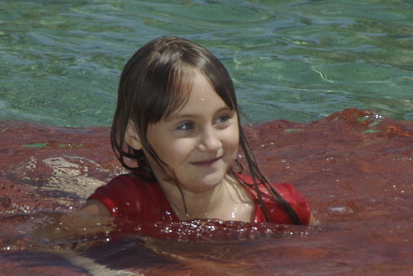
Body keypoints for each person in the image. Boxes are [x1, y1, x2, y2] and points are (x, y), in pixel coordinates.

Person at [80, 36, 313, 226]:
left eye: (222, 119)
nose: (211, 144)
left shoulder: (281, 209)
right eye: (186, 125)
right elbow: (56, 251)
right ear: (134, 134)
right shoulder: (122, 206)